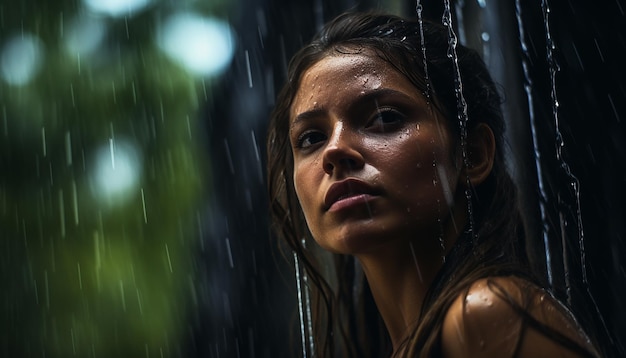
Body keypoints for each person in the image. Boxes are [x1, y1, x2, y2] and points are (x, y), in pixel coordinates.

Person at [266, 11, 601, 357]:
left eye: (384, 117)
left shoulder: (485, 313)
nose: (335, 150)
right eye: (311, 138)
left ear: (471, 155)